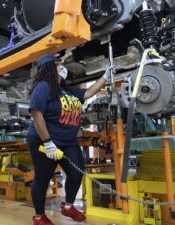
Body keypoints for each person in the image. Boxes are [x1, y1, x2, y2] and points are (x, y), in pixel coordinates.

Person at [28, 54, 112, 225]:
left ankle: (68, 206)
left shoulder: (66, 89)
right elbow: (36, 114)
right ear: (50, 68)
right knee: (43, 177)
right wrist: (47, 142)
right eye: (58, 65)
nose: (62, 67)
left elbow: (87, 93)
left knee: (77, 171)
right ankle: (39, 217)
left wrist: (105, 77)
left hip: (68, 141)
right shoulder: (43, 86)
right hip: (45, 141)